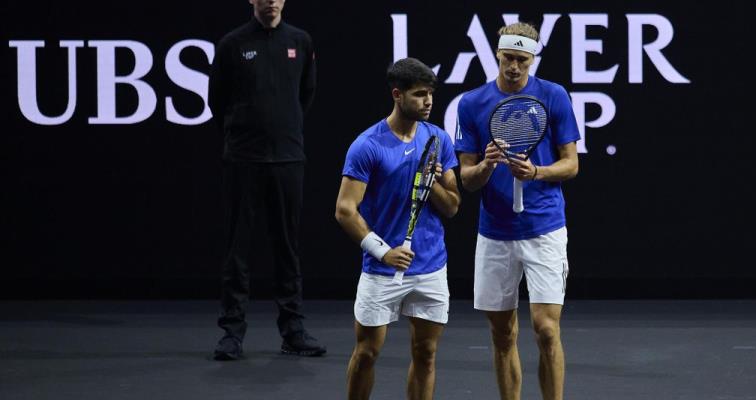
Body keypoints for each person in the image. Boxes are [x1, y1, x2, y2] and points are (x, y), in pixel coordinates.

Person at [454, 22, 580, 400]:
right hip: (495, 232)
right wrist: (487, 166)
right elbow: (467, 178)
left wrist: (537, 171)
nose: (514, 67)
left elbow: (571, 164)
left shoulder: (554, 96)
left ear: (532, 59)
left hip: (545, 228)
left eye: (523, 60)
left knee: (546, 329)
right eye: (508, 58)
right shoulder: (472, 103)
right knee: (503, 334)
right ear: (497, 54)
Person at [335, 57, 460, 400]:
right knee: (366, 354)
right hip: (381, 270)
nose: (428, 101)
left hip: (430, 267)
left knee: (426, 354)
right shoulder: (367, 146)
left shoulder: (438, 139)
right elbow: (345, 210)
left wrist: (431, 181)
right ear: (397, 95)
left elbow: (452, 206)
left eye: (431, 94)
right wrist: (383, 251)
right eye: (420, 95)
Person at [207, 0, 325, 360]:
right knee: (237, 249)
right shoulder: (232, 44)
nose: (271, 0)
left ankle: (293, 330)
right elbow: (218, 100)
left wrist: (282, 131)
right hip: (243, 160)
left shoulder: (300, 41)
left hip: (288, 159)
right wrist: (243, 133)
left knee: (286, 247)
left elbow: (306, 94)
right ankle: (231, 333)